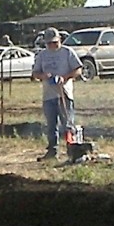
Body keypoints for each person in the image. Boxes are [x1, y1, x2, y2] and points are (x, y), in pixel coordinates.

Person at [31, 27, 83, 161]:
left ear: (60, 40)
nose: (52, 45)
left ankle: (72, 150)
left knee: (68, 124)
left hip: (64, 94)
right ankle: (52, 152)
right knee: (51, 125)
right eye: (49, 43)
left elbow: (78, 70)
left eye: (55, 42)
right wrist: (43, 76)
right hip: (48, 96)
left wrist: (65, 77)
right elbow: (35, 73)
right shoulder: (42, 55)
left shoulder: (67, 52)